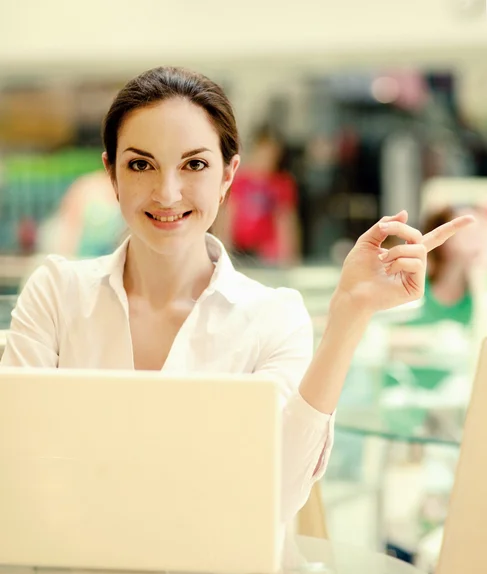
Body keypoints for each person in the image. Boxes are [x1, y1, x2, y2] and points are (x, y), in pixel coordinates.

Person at [0, 66, 474, 523]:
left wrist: (351, 313)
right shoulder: (57, 294)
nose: (167, 192)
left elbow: (279, 497)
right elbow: (15, 461)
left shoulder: (271, 317)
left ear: (228, 175)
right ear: (112, 173)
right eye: (141, 164)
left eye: (194, 164)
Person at [386, 204, 487, 389]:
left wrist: (477, 276)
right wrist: (434, 337)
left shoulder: (478, 294)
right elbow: (380, 338)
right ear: (445, 241)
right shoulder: (412, 284)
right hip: (404, 393)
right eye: (469, 232)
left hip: (456, 402)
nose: (480, 239)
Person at [216, 126, 300, 265]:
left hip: (267, 253)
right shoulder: (238, 179)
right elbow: (228, 216)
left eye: (272, 154)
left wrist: (289, 258)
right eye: (263, 153)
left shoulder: (281, 183)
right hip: (239, 250)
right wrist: (225, 251)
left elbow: (285, 221)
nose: (267, 159)